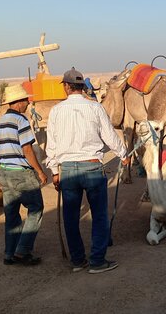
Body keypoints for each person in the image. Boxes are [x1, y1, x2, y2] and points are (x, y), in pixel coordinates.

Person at [46, 67, 130, 274]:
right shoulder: (96, 108)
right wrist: (123, 154)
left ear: (66, 87)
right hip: (92, 167)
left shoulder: (56, 111)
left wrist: (55, 171)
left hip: (68, 171)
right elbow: (110, 136)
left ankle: (77, 260)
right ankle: (97, 261)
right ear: (82, 86)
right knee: (99, 216)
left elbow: (52, 145)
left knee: (71, 217)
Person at [0, 84, 48, 266]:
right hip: (21, 174)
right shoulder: (21, 121)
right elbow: (27, 149)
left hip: (4, 173)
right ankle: (23, 250)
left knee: (12, 215)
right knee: (36, 209)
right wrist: (40, 171)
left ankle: (9, 253)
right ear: (18, 102)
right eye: (25, 100)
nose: (27, 103)